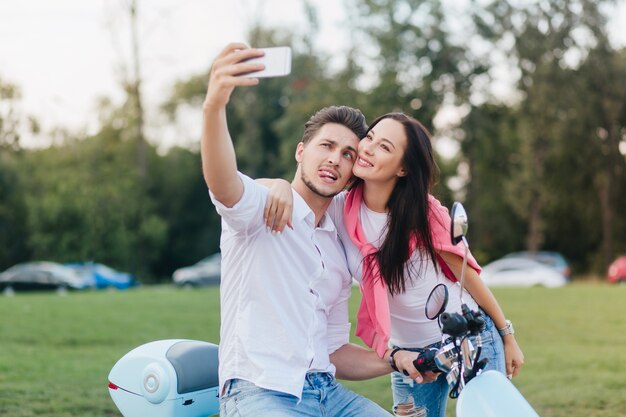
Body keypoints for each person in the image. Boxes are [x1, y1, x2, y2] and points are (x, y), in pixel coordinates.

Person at [264, 112, 525, 417]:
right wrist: (277, 184)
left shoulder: (423, 212)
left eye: (384, 147)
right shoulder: (339, 208)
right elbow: (282, 191)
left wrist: (508, 336)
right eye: (370, 138)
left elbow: (469, 279)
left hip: (466, 337)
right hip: (409, 353)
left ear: (402, 168)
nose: (368, 149)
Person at [202, 43, 394, 417]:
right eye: (327, 146)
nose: (335, 159)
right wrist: (214, 106)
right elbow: (223, 182)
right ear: (300, 152)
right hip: (259, 391)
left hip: (329, 394)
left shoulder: (338, 247)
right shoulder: (262, 207)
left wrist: (400, 359)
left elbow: (334, 352)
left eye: (348, 155)